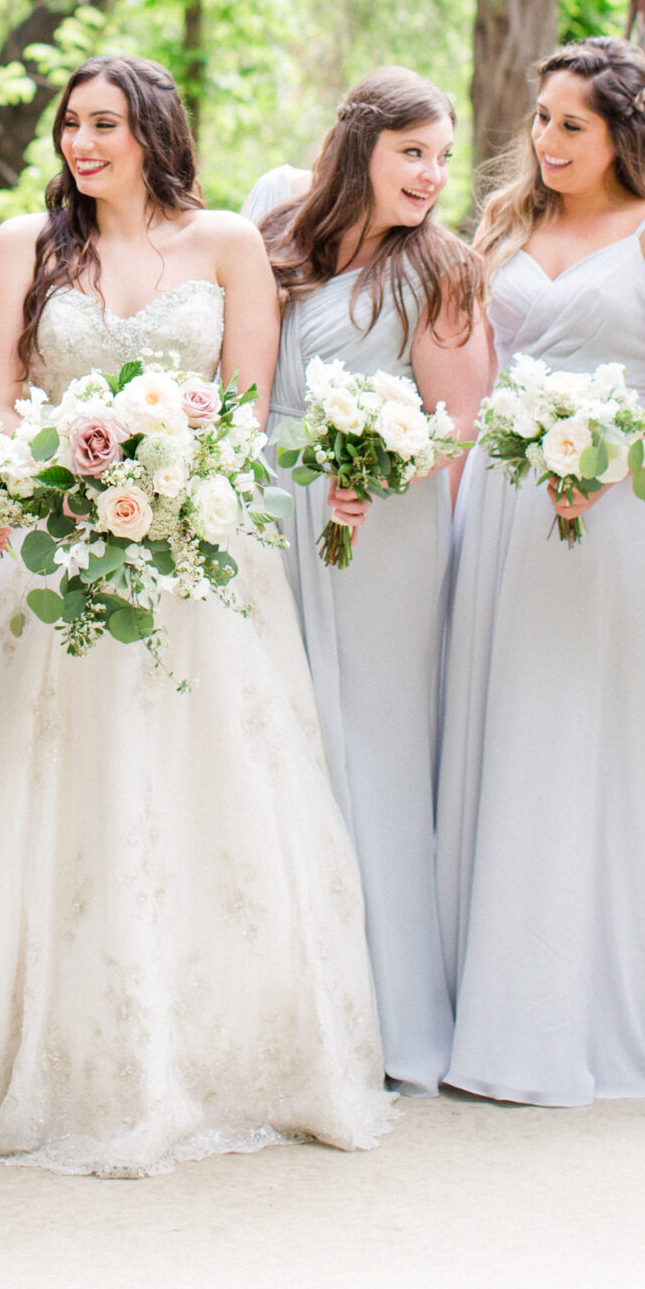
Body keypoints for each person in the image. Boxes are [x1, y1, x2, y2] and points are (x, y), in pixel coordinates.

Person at [0, 53, 391, 1175]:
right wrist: (62, 487)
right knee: (29, 794)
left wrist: (168, 486)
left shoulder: (227, 245)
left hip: (193, 556)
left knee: (204, 793)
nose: (81, 142)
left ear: (153, 131)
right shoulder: (26, 246)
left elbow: (243, 414)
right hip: (53, 556)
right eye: (72, 123)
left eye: (105, 123)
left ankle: (209, 1057)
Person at [436, 36, 645, 1105]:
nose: (547, 140)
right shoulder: (505, 223)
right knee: (509, 721)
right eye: (541, 119)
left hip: (614, 509)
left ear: (620, 134)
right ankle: (493, 998)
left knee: (594, 731)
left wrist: (612, 460)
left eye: (572, 124)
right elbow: (476, 371)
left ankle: (601, 1007)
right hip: (507, 503)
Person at [244, 68, 490, 1095]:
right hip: (268, 508)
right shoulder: (276, 220)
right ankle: (278, 1003)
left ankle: (386, 1014)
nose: (431, 176)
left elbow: (460, 423)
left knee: (371, 744)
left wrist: (381, 472)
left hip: (376, 527)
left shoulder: (441, 268)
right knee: (276, 732)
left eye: (442, 158)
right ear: (360, 144)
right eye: (412, 153)